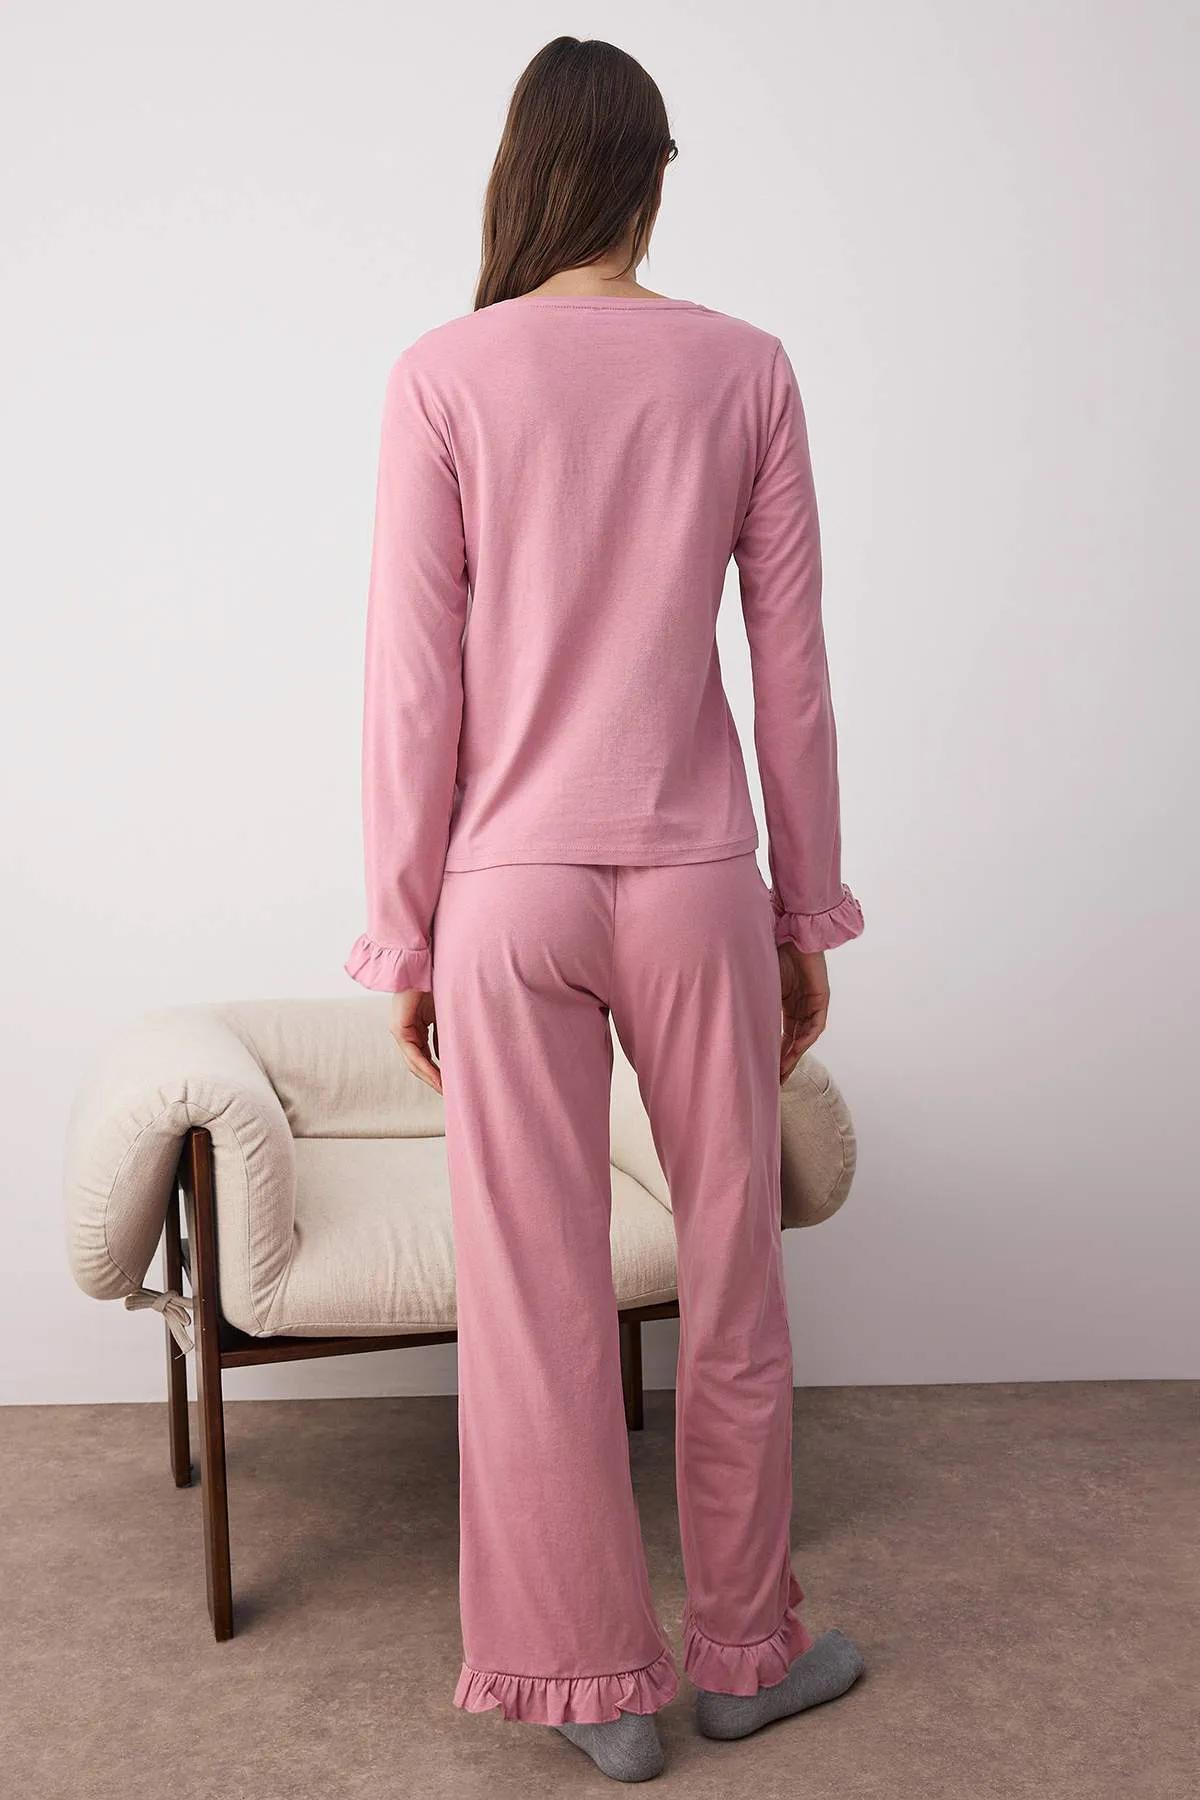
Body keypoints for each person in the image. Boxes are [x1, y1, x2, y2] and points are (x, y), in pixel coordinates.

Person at [345, 34, 866, 1784]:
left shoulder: (443, 375)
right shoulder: (746, 369)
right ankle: (745, 1655)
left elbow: (411, 685)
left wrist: (405, 932)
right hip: (699, 885)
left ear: (525, 173)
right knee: (733, 1280)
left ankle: (598, 1695)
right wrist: (805, 910)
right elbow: (791, 672)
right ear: (649, 178)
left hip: (507, 896)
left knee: (534, 1302)